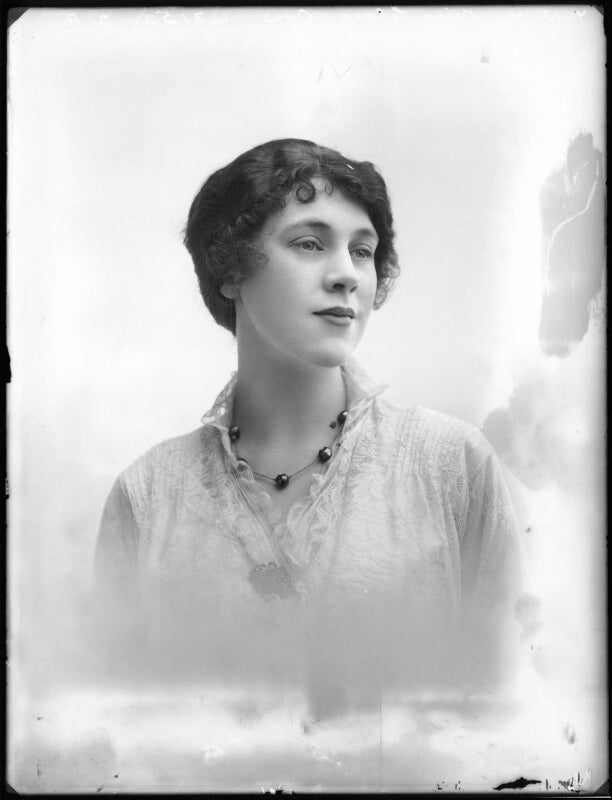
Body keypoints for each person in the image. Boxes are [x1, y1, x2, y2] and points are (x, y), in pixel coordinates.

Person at [94, 138, 522, 708]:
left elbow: (507, 715)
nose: (346, 275)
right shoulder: (148, 496)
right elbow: (114, 730)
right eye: (309, 244)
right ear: (229, 268)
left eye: (363, 251)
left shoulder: (453, 466)